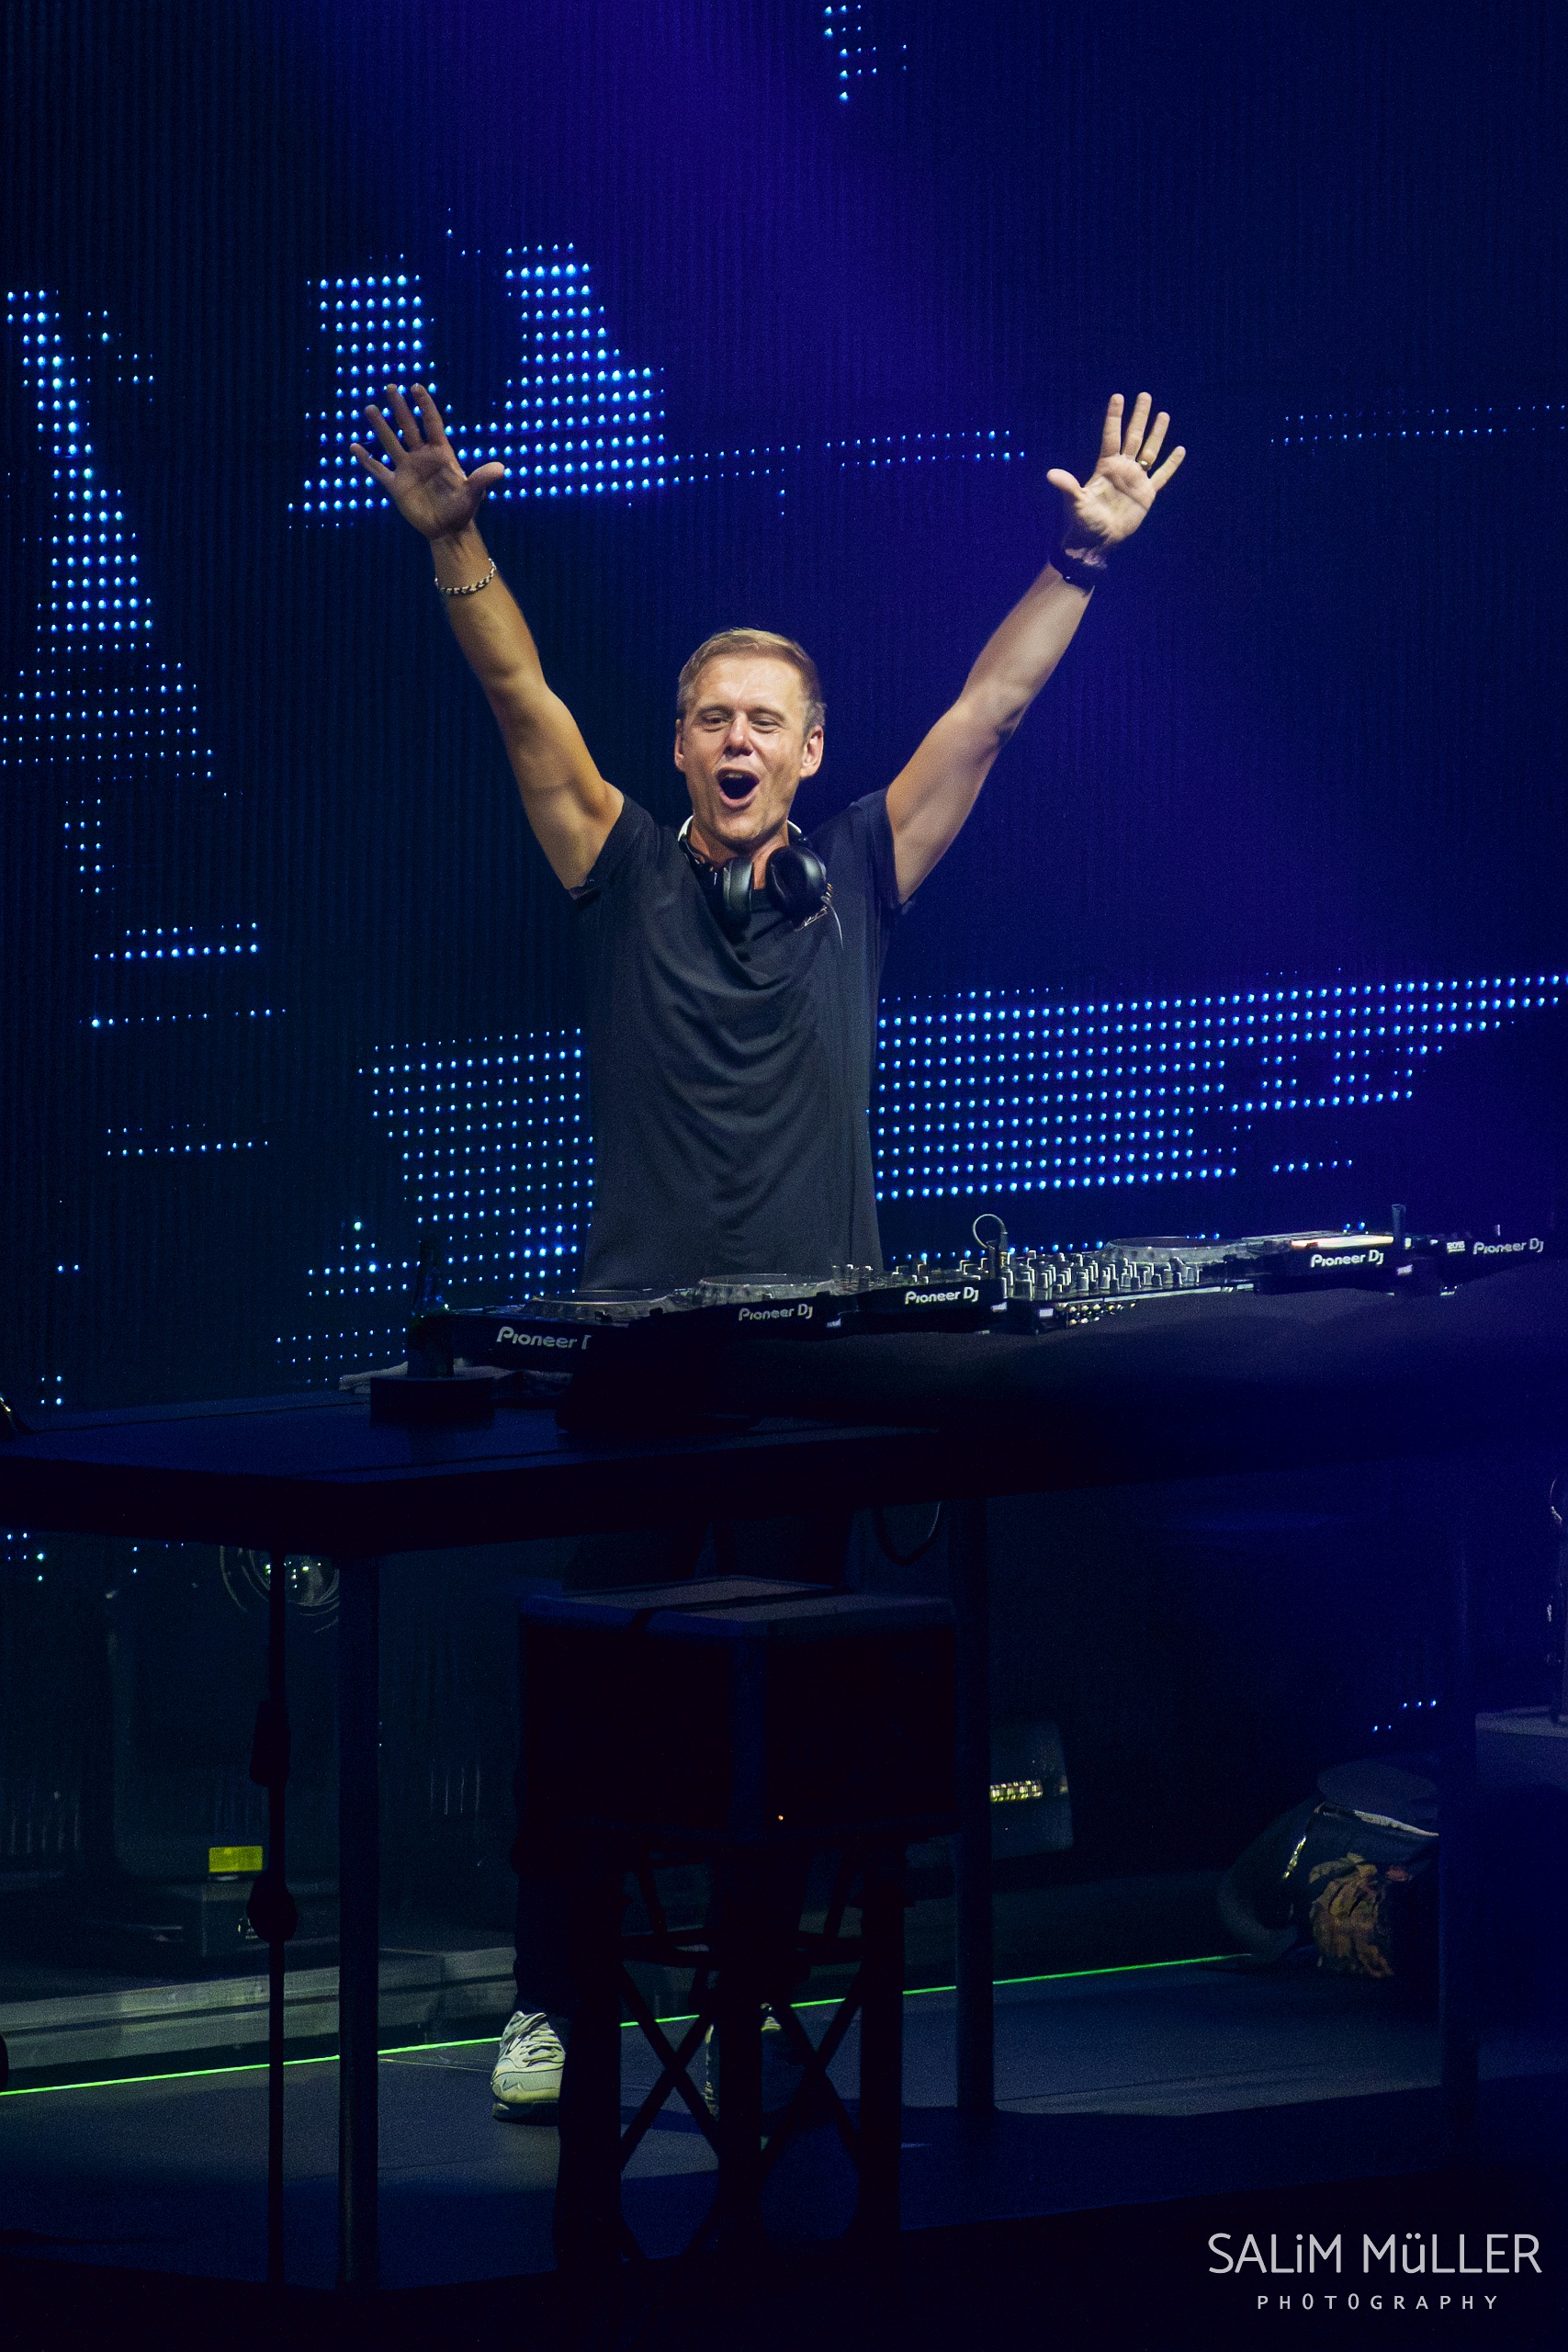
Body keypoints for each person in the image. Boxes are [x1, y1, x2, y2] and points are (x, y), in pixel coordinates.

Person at [353, 382, 1184, 2118]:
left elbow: (993, 713)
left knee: (792, 1714)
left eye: (766, 721)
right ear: (681, 749)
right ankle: (555, 2001)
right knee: (596, 1691)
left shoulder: (864, 870)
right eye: (712, 718)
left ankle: (753, 1999)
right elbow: (519, 700)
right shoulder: (620, 871)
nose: (737, 740)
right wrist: (455, 542)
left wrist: (1083, 558)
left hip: (818, 1373)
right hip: (641, 1367)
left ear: (808, 753)